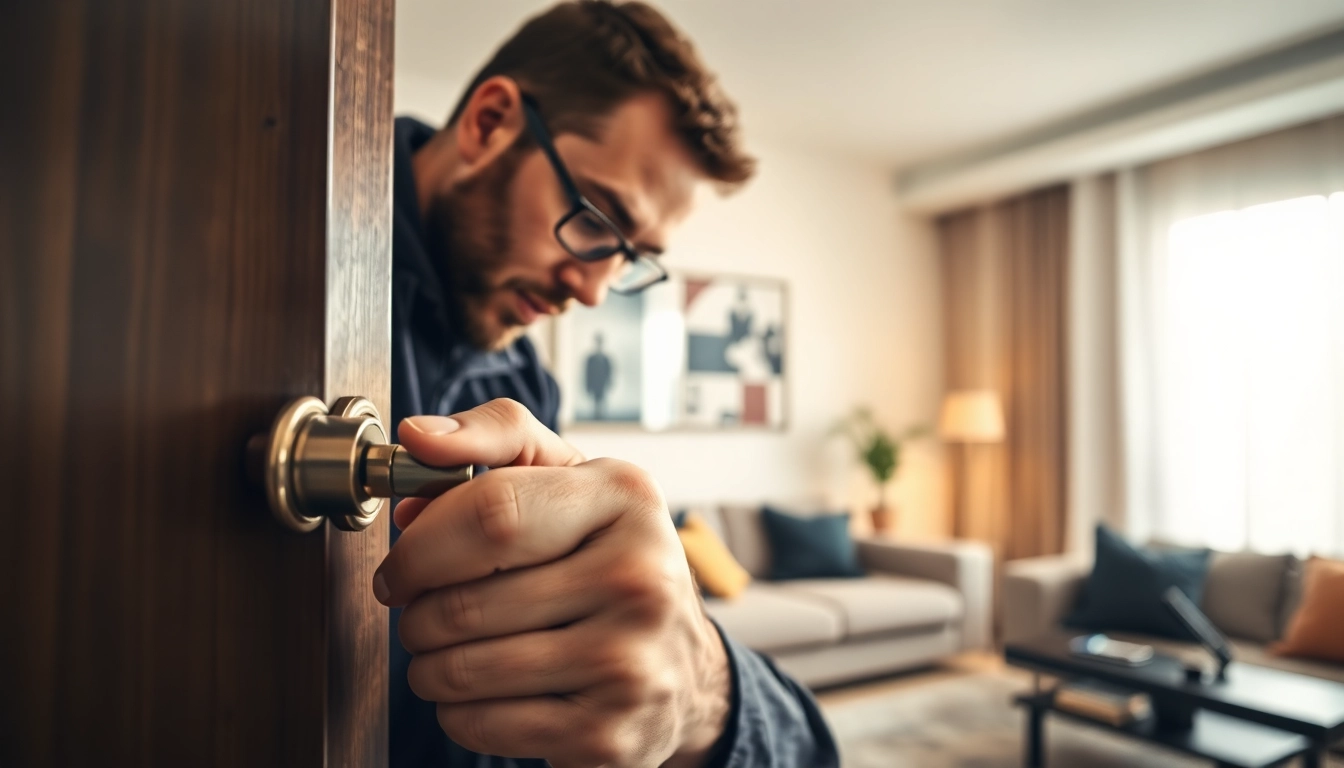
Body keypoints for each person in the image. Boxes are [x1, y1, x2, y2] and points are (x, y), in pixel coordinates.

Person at [374, 2, 840, 766]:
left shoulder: (526, 386)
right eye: (595, 218)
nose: (592, 291)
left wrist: (697, 691)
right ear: (491, 122)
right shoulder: (295, 246)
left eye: (630, 256)